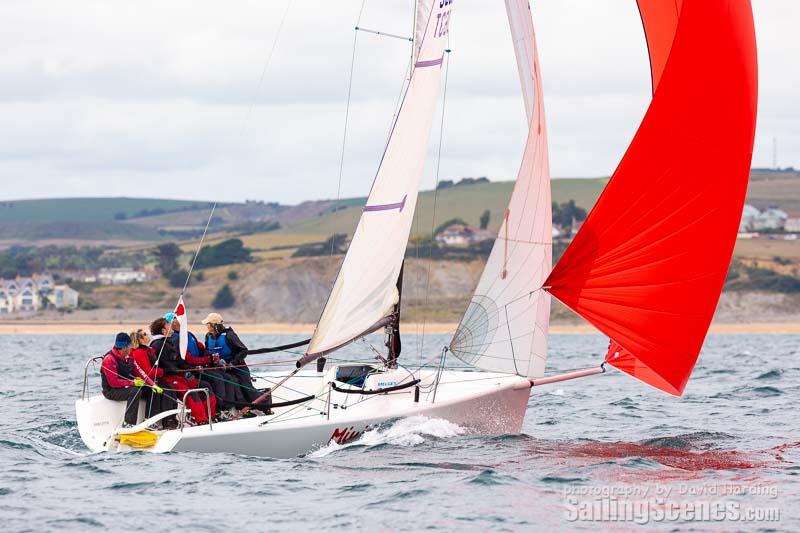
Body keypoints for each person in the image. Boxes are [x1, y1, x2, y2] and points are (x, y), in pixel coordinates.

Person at [150, 317, 218, 425]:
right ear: (163, 330)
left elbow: (180, 362)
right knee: (190, 393)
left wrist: (192, 368)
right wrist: (183, 372)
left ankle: (212, 416)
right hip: (167, 378)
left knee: (205, 386)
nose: (170, 325)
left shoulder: (170, 342)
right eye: (168, 324)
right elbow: (167, 365)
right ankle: (201, 420)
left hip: (179, 375)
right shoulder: (158, 345)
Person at [202, 312, 259, 404]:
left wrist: (233, 363)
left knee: (247, 388)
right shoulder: (208, 336)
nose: (207, 327)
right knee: (229, 385)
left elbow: (243, 350)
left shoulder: (229, 335)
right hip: (220, 367)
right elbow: (207, 352)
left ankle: (263, 406)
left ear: (215, 325)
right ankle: (235, 407)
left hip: (237, 366)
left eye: (208, 324)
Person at [100, 332, 144, 427]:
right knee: (135, 391)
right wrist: (133, 382)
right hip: (110, 391)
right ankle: (128, 423)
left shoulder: (127, 357)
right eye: (130, 345)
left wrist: (152, 385)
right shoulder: (109, 360)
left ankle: (149, 421)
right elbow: (113, 383)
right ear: (124, 347)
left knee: (147, 389)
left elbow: (136, 372)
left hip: (123, 387)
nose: (131, 347)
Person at [129, 329, 169, 424]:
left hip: (148, 381)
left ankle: (165, 420)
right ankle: (151, 421)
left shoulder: (147, 350)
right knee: (156, 391)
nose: (148, 335)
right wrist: (164, 371)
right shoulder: (139, 352)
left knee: (166, 387)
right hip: (142, 383)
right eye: (145, 334)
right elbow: (148, 372)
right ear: (141, 340)